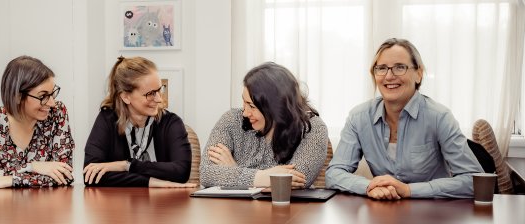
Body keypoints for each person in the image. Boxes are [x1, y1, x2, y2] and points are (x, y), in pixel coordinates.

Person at [325, 38, 484, 199]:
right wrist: (369, 187)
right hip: (383, 214)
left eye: (399, 67)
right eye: (381, 68)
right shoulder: (359, 117)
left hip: (434, 215)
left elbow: (474, 180)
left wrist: (409, 190)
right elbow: (334, 174)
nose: (389, 76)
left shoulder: (440, 117)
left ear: (418, 74)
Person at [199, 62, 328, 189]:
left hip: (287, 209)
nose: (245, 113)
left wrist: (233, 171)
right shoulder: (232, 120)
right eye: (244, 102)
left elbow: (295, 181)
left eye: (252, 106)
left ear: (277, 107)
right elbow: (206, 173)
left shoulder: (313, 128)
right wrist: (263, 178)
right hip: (234, 209)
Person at [83, 56, 196, 187]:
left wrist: (127, 165)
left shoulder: (171, 122)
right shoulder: (107, 119)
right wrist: (152, 182)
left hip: (164, 205)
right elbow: (91, 175)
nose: (159, 99)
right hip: (118, 206)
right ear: (126, 97)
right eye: (150, 94)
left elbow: (181, 171)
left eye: (159, 90)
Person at [0, 56, 74, 188]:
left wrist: (8, 180)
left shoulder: (57, 114)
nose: (52, 103)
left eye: (52, 94)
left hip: (47, 206)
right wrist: (33, 167)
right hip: (1, 206)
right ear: (17, 96)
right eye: (43, 96)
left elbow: (64, 175)